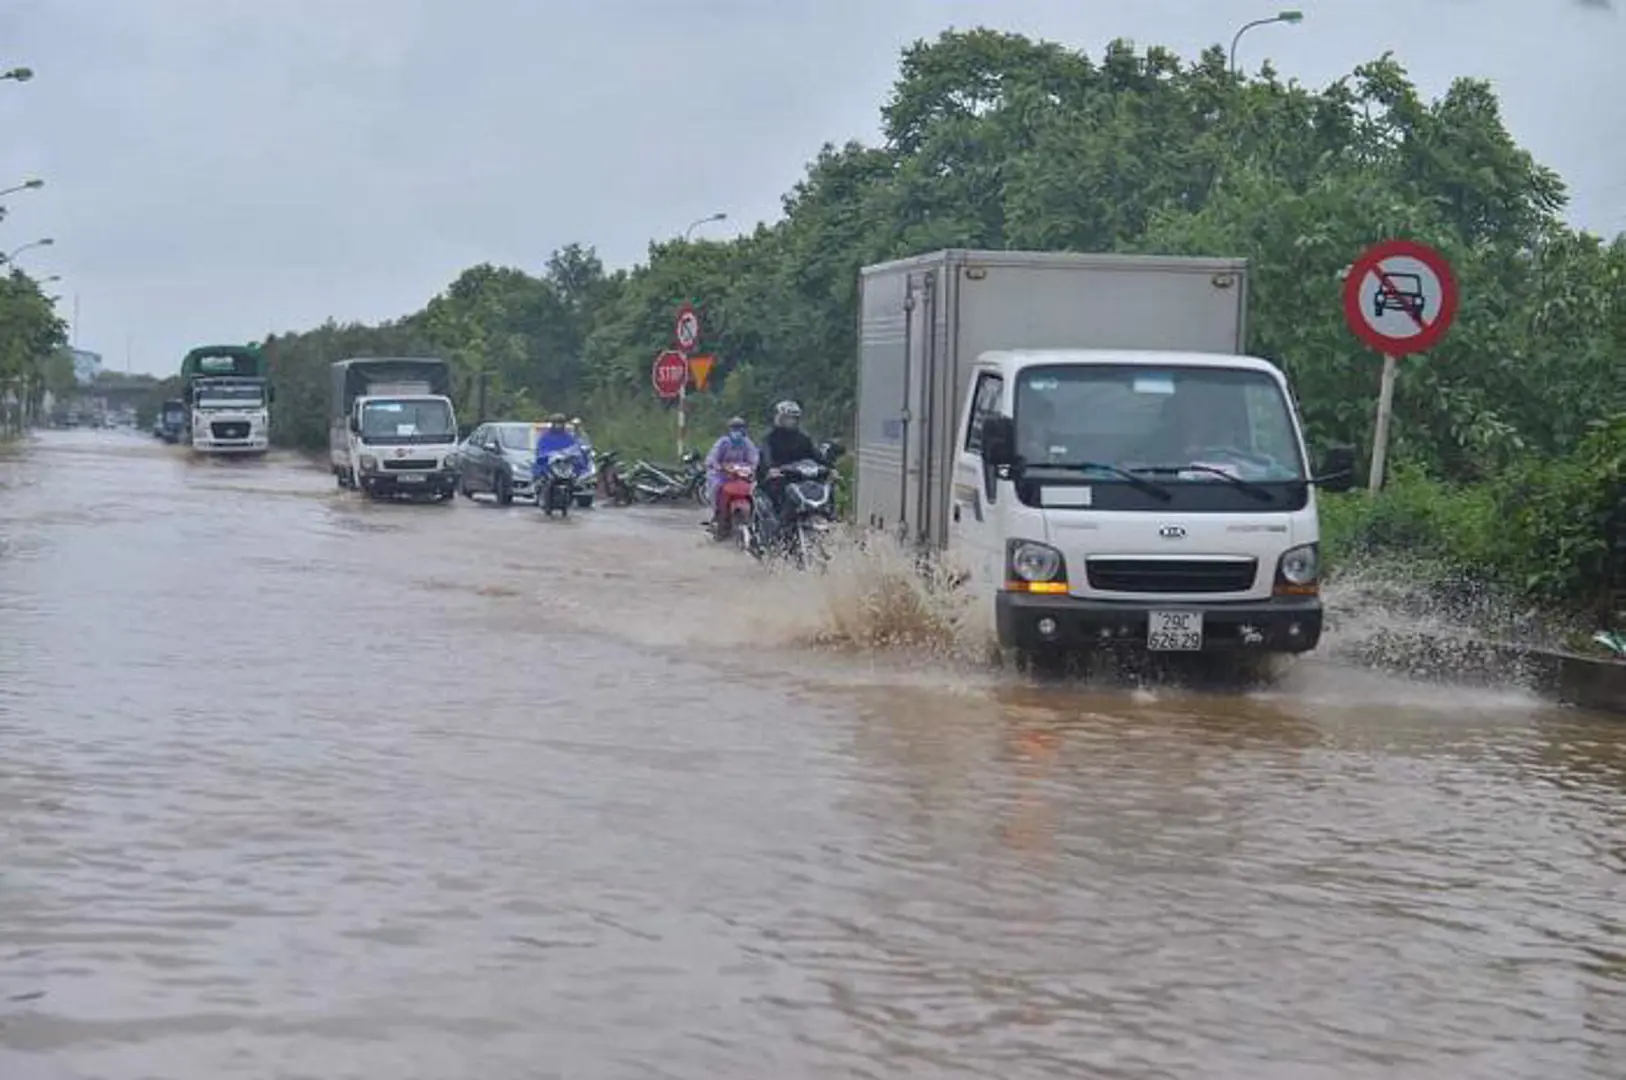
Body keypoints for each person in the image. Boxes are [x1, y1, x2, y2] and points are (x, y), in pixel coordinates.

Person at [756, 399, 821, 535]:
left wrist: (829, 467)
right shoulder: (770, 438)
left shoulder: (803, 437)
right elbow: (765, 455)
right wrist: (770, 469)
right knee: (778, 493)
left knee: (820, 487)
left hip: (799, 478)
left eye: (794, 418)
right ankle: (778, 528)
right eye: (787, 418)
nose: (791, 421)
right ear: (779, 417)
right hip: (777, 478)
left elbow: (816, 455)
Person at [703, 415, 759, 524]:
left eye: (740, 428)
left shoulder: (747, 443)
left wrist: (753, 468)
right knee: (716, 488)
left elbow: (754, 457)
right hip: (722, 475)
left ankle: (755, 518)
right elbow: (712, 457)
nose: (737, 431)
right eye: (734, 428)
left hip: (742, 475)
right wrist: (719, 466)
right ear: (729, 429)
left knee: (755, 490)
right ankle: (717, 512)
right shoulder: (723, 442)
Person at [532, 413, 588, 481]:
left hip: (565, 463)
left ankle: (577, 481)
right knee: (541, 468)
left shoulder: (567, 436)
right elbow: (542, 449)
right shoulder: (546, 436)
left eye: (560, 423)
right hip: (551, 463)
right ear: (553, 424)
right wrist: (547, 455)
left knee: (578, 464)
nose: (558, 425)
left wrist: (575, 453)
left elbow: (574, 446)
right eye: (557, 423)